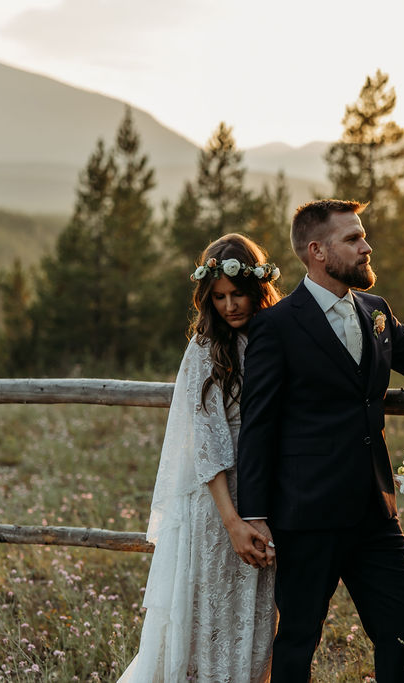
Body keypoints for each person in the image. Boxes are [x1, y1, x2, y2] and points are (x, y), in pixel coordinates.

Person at [236, 200, 404, 682]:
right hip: (305, 516)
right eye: (353, 239)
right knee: (298, 640)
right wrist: (254, 516)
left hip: (375, 513)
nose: (366, 247)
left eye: (363, 236)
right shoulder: (277, 326)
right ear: (317, 252)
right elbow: (257, 425)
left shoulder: (376, 311)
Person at [119, 233, 281, 683]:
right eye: (220, 298)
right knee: (208, 623)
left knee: (254, 625)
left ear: (257, 289)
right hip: (217, 506)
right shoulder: (207, 349)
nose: (230, 306)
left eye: (238, 294)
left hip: (265, 496)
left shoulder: (272, 338)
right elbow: (208, 443)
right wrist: (232, 522)